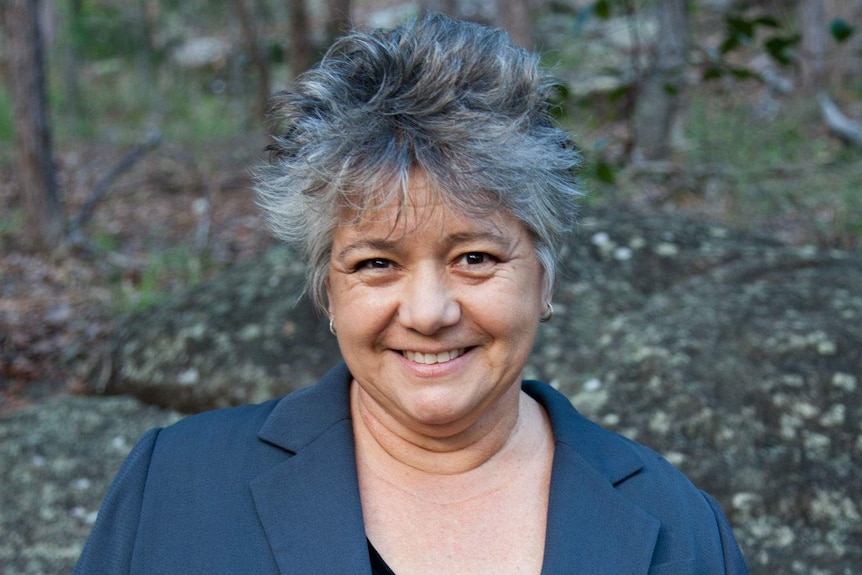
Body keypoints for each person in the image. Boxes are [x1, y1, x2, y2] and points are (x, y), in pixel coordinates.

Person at [74, 13, 749, 575]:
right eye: (375, 263)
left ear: (542, 276)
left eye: (475, 257)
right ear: (327, 290)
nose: (428, 312)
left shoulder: (677, 525)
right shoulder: (173, 487)